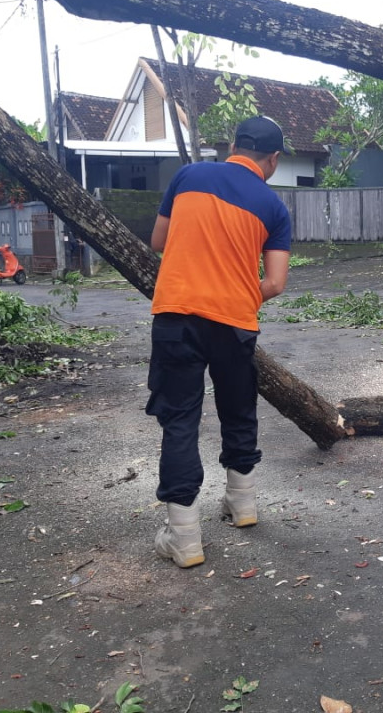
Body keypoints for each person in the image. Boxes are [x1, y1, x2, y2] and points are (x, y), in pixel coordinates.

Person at [146, 115, 292, 568]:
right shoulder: (273, 206)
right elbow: (276, 282)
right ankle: (243, 505)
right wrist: (241, 291)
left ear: (233, 145)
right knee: (237, 406)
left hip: (177, 314)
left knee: (180, 419)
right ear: (273, 159)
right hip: (234, 323)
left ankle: (185, 539)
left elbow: (157, 241)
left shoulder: (189, 176)